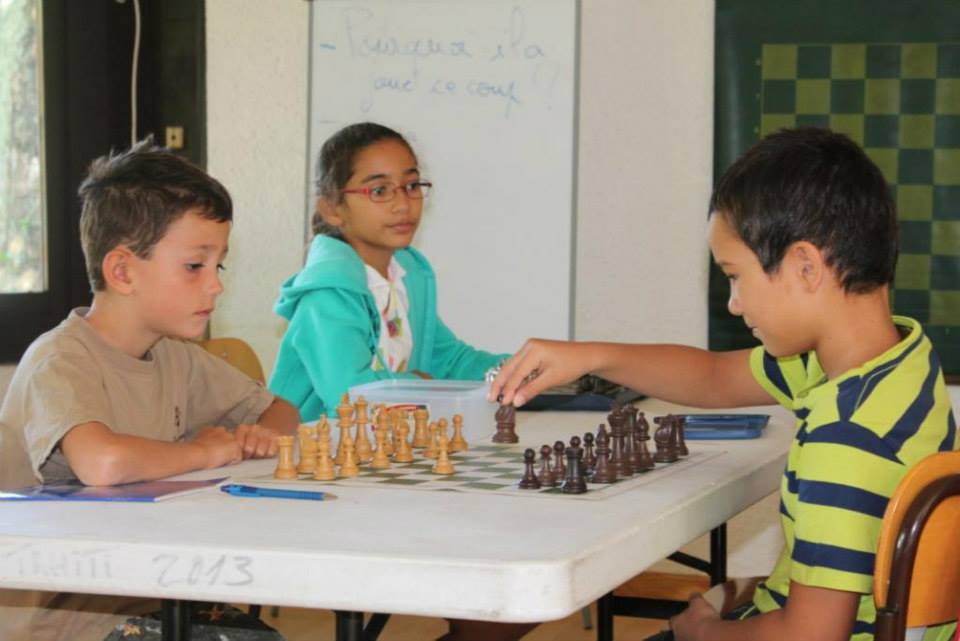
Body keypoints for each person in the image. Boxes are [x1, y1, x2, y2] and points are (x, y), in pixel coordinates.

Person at [490, 128, 957, 641]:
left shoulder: (846, 437)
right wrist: (592, 357)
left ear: (805, 267)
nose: (734, 304)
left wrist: (705, 632)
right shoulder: (896, 363)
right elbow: (713, 378)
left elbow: (810, 637)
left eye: (734, 275)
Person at [0, 139, 299, 641]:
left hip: (158, 586)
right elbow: (103, 462)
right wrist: (204, 452)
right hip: (72, 620)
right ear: (122, 272)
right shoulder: (59, 359)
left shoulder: (173, 354)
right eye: (195, 266)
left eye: (219, 266)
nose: (216, 285)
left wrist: (260, 433)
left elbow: (282, 410)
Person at [269, 122, 508, 420]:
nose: (403, 204)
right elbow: (349, 396)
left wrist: (519, 370)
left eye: (411, 186)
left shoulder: (407, 276)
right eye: (379, 190)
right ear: (332, 209)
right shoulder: (327, 294)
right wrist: (419, 384)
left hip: (384, 437)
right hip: (313, 443)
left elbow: (449, 361)